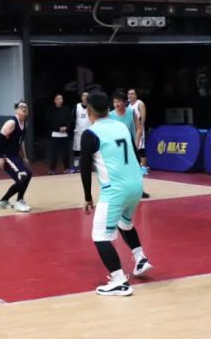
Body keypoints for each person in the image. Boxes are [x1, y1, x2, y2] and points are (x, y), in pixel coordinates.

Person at [80, 90, 152, 296]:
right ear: (108, 108)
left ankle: (119, 280)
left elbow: (85, 168)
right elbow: (135, 155)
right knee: (124, 224)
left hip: (115, 191)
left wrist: (87, 197)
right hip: (136, 185)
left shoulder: (90, 134)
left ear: (89, 111)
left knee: (100, 235)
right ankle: (140, 258)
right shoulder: (121, 126)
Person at [111, 91, 150, 199]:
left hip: (131, 146)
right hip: (117, 148)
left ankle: (140, 190)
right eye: (115, 102)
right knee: (119, 171)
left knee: (136, 169)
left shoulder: (131, 112)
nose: (117, 104)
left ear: (124, 102)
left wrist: (136, 143)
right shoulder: (111, 115)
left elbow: (138, 128)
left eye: (119, 102)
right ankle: (120, 191)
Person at [0, 101, 32, 212]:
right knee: (23, 176)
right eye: (21, 107)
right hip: (7, 156)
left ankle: (3, 201)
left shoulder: (24, 124)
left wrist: (24, 157)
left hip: (15, 155)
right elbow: (0, 139)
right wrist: (1, 157)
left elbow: (20, 142)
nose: (24, 108)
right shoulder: (11, 122)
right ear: (16, 110)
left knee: (28, 174)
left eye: (26, 107)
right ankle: (19, 202)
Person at [46, 93, 72, 174]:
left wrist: (66, 128)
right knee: (54, 153)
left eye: (61, 98)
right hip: (55, 134)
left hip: (65, 134)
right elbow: (49, 122)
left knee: (66, 153)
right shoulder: (51, 110)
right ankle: (52, 169)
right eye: (58, 99)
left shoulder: (66, 109)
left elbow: (69, 120)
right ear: (54, 100)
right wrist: (58, 128)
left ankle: (67, 168)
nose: (59, 100)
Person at [127, 88, 148, 175]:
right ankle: (137, 166)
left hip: (139, 129)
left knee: (141, 147)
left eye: (132, 94)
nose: (130, 95)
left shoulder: (140, 103)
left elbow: (143, 117)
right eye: (129, 94)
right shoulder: (128, 106)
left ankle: (144, 167)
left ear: (136, 95)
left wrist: (140, 129)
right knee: (134, 148)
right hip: (132, 130)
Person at [72, 91, 90, 169]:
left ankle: (90, 165)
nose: (85, 97)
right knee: (77, 149)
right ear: (81, 98)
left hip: (89, 132)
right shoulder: (77, 106)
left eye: (87, 96)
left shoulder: (92, 106)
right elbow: (72, 118)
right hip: (78, 132)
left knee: (89, 150)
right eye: (83, 96)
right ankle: (76, 165)